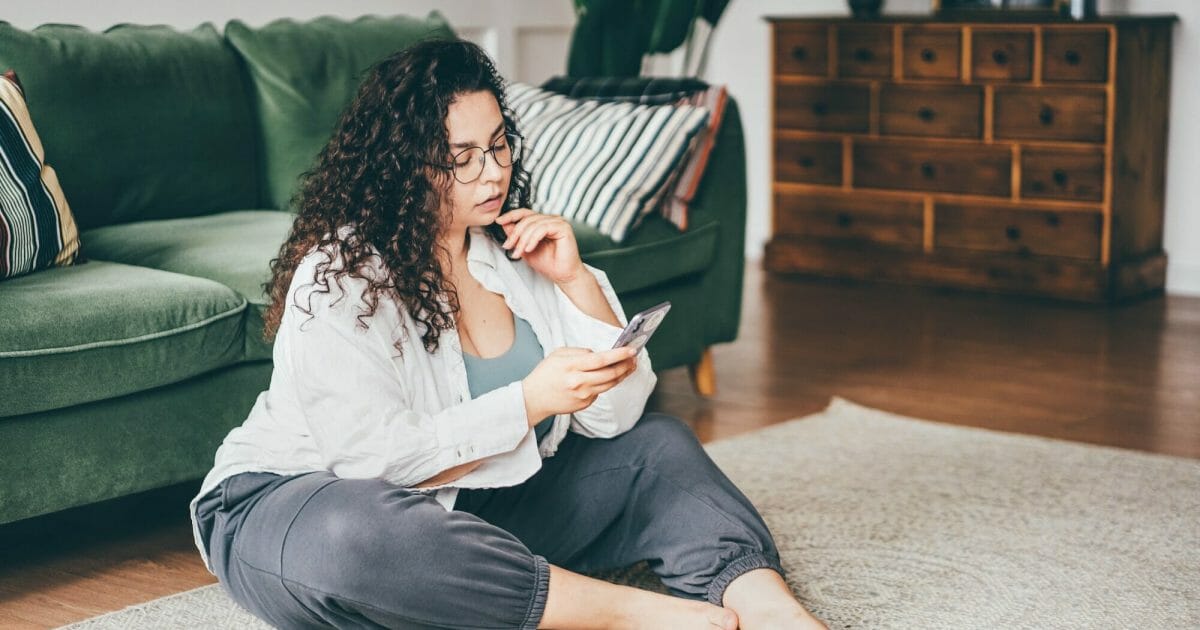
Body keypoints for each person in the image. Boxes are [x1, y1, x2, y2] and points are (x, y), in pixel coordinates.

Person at [189, 38, 828, 630]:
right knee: (354, 542)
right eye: (462, 159)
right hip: (294, 501)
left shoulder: (512, 255)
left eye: (498, 146)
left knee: (658, 450)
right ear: (404, 168)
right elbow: (369, 463)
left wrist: (575, 281)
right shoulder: (341, 276)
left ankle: (768, 606)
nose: (493, 173)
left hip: (471, 501)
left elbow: (616, 422)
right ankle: (620, 613)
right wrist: (531, 400)